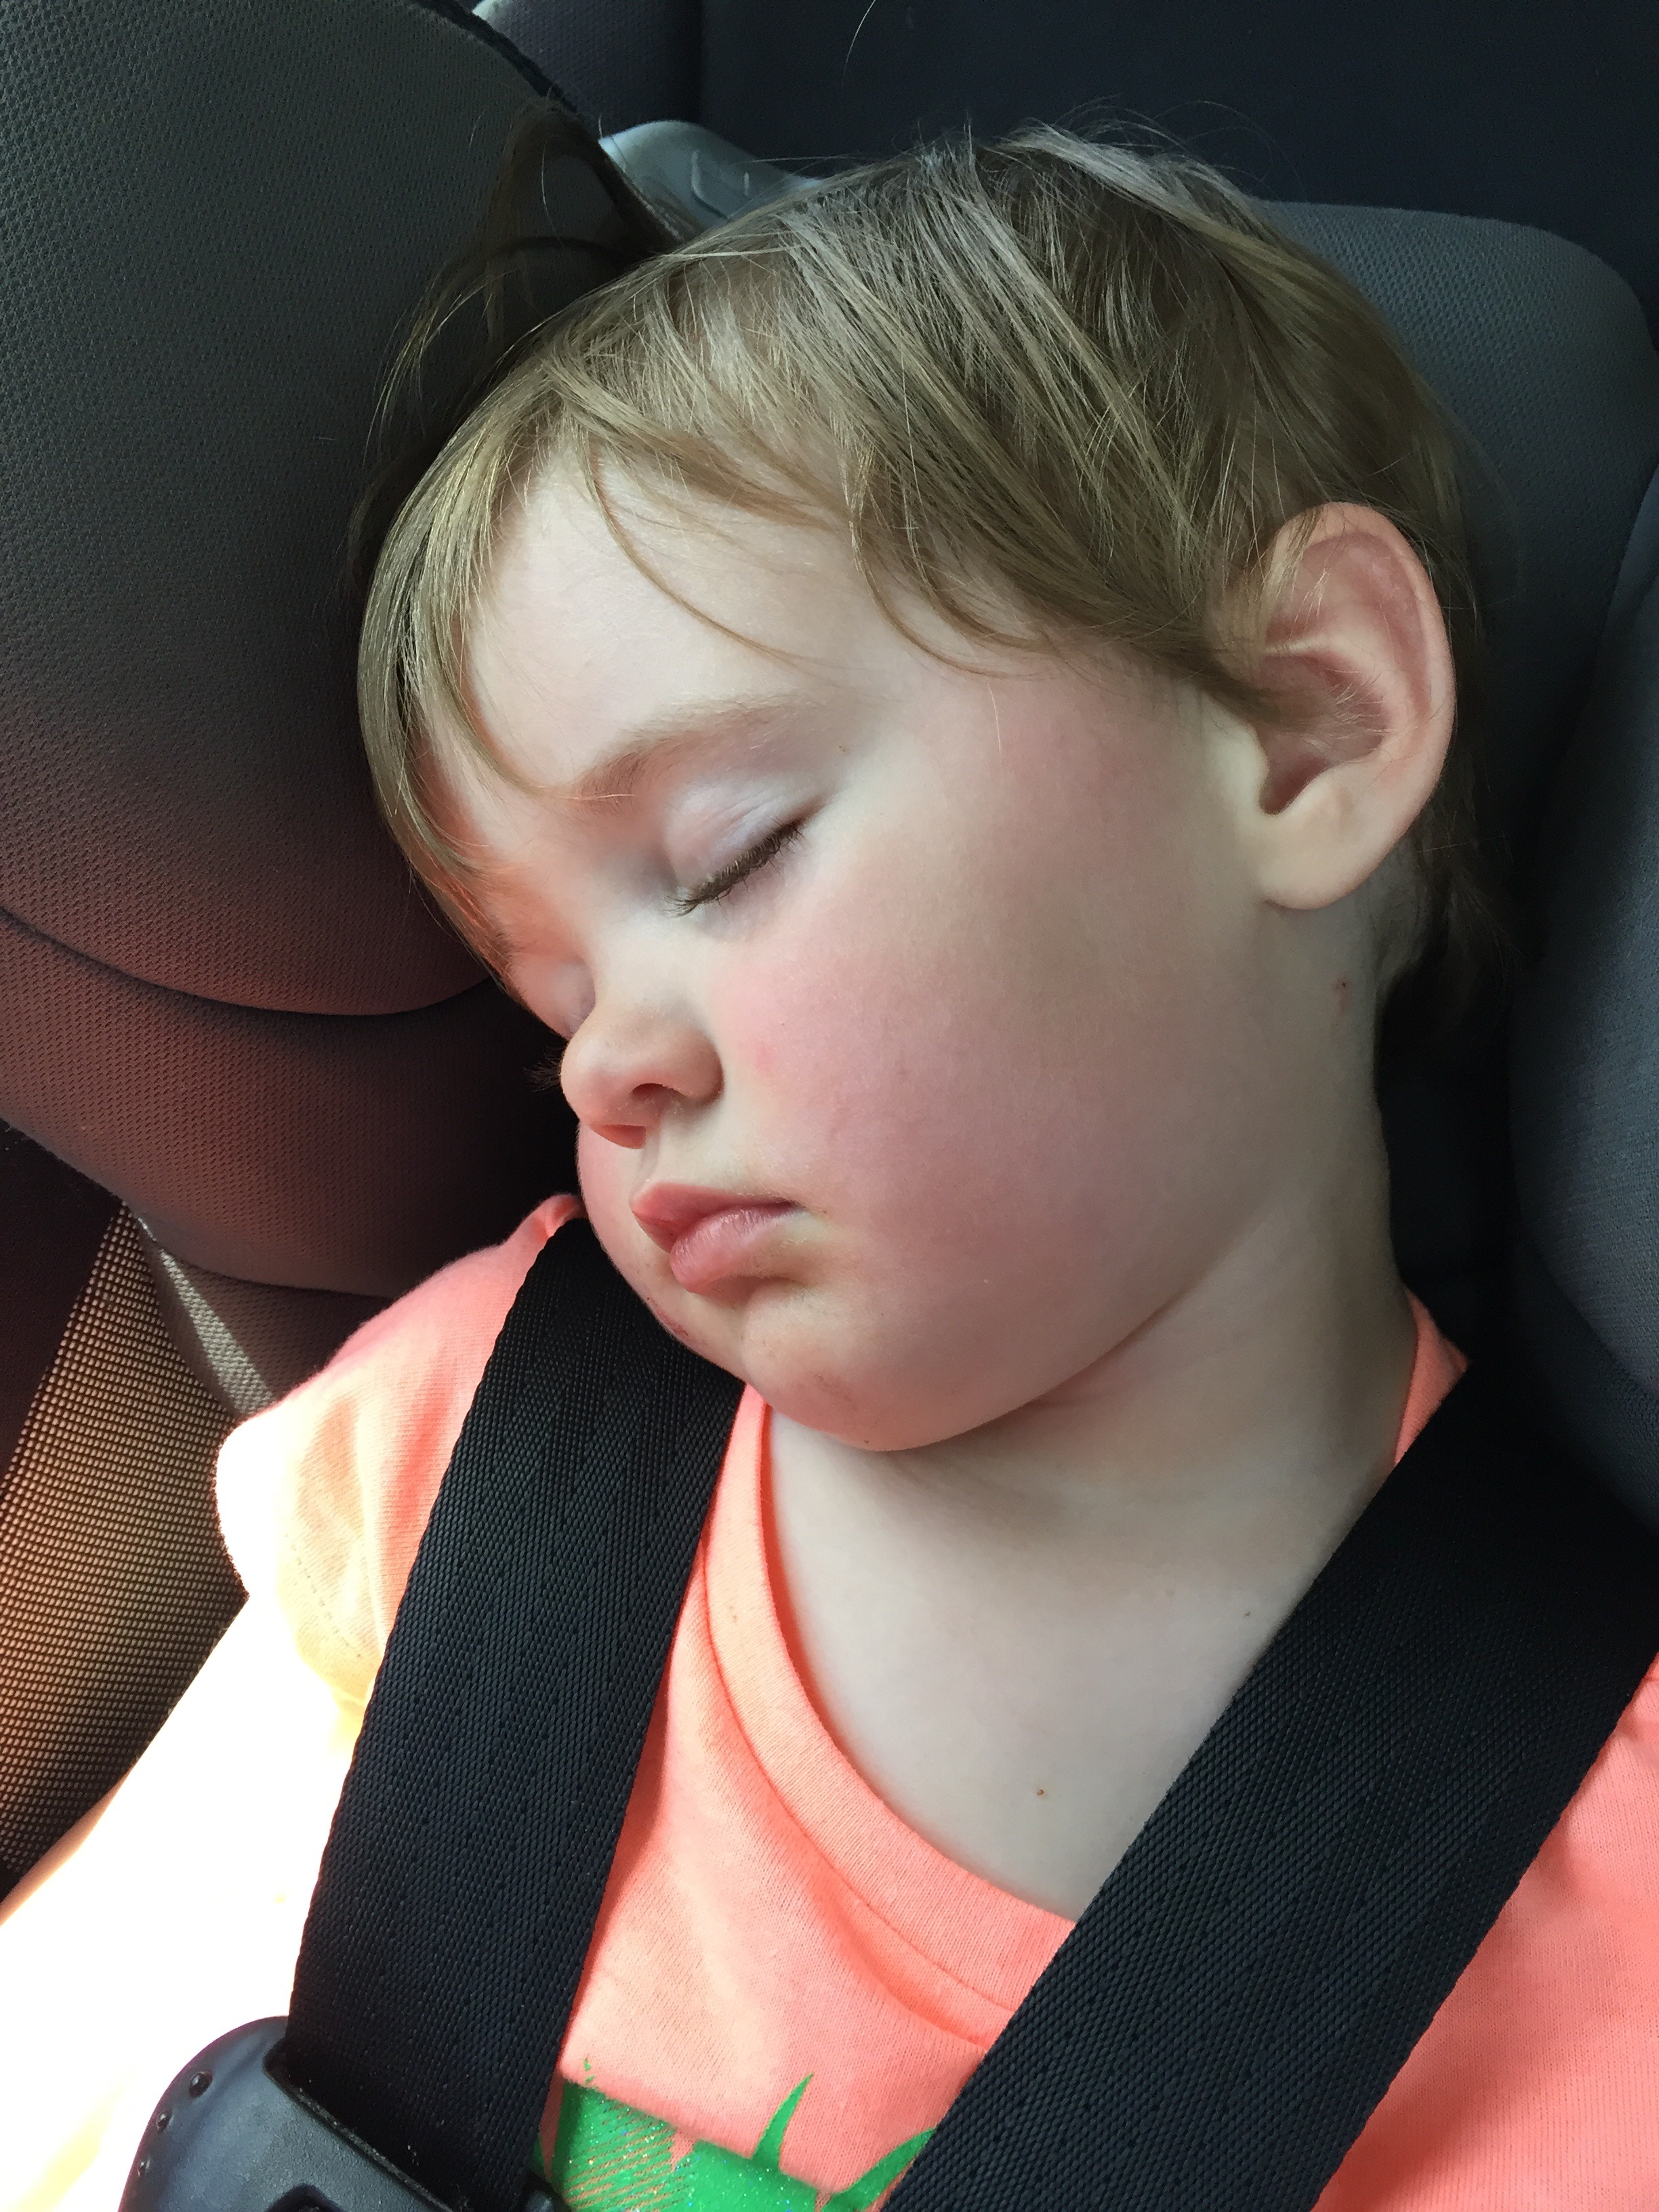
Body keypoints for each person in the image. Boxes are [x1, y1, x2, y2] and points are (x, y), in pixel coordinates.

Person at [4, 124, 1657, 2212]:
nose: (608, 1063)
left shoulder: (1608, 1910)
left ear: (1306, 725)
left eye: (731, 858)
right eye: (547, 1001)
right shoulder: (484, 1460)